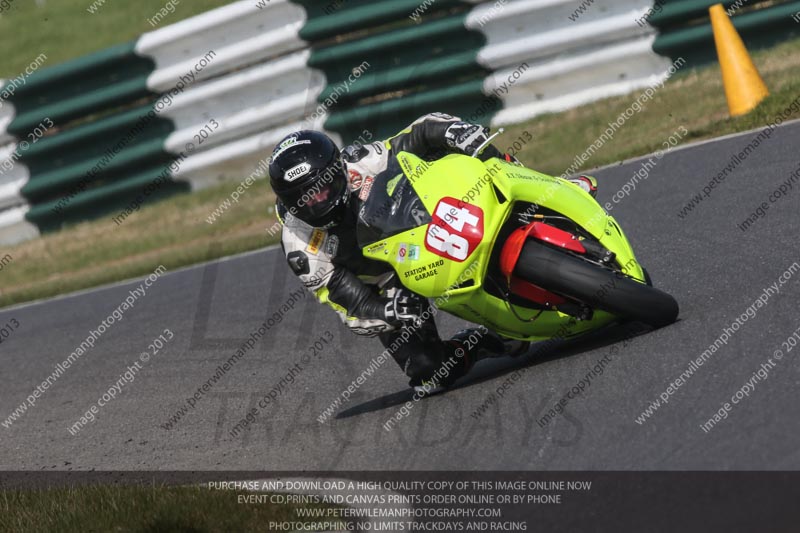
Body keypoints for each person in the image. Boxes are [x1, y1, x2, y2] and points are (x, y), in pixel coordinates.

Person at [269, 113, 598, 393]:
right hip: (386, 281)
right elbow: (348, 303)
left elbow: (419, 133)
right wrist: (389, 311)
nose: (319, 200)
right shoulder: (299, 244)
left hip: (418, 225)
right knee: (428, 375)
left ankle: (552, 189)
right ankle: (484, 342)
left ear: (338, 167)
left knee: (488, 160)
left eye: (324, 187)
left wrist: (456, 132)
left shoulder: (358, 162)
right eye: (306, 198)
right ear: (289, 202)